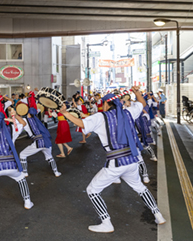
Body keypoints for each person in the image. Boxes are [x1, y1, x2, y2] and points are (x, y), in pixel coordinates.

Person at [60, 87, 165, 233]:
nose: (102, 106)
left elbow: (82, 123)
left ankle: (106, 223)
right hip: (132, 160)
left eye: (103, 103)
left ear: (107, 104)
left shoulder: (101, 117)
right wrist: (137, 93)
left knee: (92, 190)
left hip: (115, 163)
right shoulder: (128, 112)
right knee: (140, 187)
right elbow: (142, 103)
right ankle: (158, 215)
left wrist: (65, 113)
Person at [20, 106, 61, 177]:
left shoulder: (25, 120)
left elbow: (16, 122)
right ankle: (56, 172)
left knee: (22, 155)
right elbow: (38, 110)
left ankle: (25, 172)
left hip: (38, 142)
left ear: (28, 113)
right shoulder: (37, 120)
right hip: (46, 141)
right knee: (49, 157)